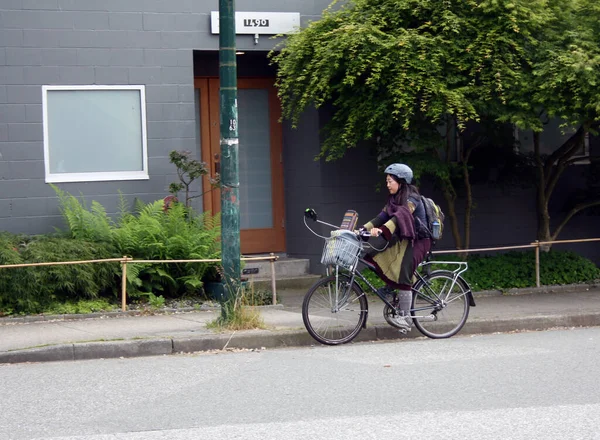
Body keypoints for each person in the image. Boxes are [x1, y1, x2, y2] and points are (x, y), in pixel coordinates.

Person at [361, 163, 432, 330]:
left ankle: (405, 318)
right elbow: (382, 216)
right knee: (375, 254)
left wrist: (384, 230)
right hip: (405, 239)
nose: (387, 185)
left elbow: (401, 215)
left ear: (400, 181)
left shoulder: (412, 197)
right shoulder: (393, 199)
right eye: (386, 181)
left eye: (389, 181)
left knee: (404, 271)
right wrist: (363, 229)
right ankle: (391, 288)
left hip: (420, 240)